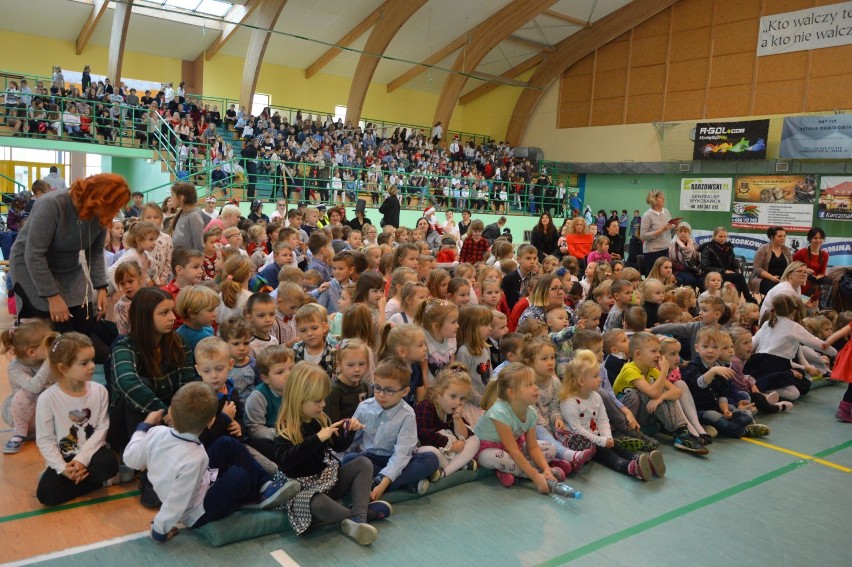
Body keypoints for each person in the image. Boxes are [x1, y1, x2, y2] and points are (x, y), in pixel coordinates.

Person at [123, 382, 299, 543]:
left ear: (170, 411)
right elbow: (177, 500)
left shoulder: (155, 432)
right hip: (197, 512)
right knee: (238, 476)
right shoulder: (196, 457)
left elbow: (131, 459)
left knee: (227, 443)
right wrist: (160, 530)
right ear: (210, 422)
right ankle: (255, 498)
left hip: (199, 484)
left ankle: (265, 485)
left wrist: (144, 427)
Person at [9, 174, 127, 363]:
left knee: (85, 320)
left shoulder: (102, 213)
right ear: (95, 199)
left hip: (68, 266)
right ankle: (60, 370)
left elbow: (95, 253)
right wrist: (53, 297)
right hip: (30, 266)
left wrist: (101, 288)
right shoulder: (52, 204)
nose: (112, 213)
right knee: (59, 325)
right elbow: (34, 255)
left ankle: (87, 363)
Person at [273, 362, 391, 545]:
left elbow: (338, 447)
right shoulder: (284, 428)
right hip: (302, 490)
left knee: (363, 463)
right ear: (299, 398)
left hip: (326, 480)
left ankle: (358, 519)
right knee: (317, 503)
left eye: (323, 399)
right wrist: (317, 438)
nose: (323, 404)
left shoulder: (319, 418)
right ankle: (363, 514)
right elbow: (285, 460)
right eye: (318, 400)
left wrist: (349, 431)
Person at [36, 333, 130, 506]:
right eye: (84, 363)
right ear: (63, 368)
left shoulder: (99, 391)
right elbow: (45, 439)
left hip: (92, 453)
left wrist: (82, 459)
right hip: (65, 457)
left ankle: (93, 478)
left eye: (93, 360)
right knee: (46, 495)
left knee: (109, 464)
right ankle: (102, 482)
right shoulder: (47, 398)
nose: (92, 366)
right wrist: (62, 468)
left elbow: (102, 428)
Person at [344, 357, 440, 498]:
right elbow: (353, 442)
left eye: (389, 390)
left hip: (396, 459)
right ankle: (408, 483)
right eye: (377, 388)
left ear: (405, 391)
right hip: (370, 460)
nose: (381, 395)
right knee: (348, 459)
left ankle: (374, 483)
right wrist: (349, 432)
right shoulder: (364, 408)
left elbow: (401, 454)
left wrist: (382, 485)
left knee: (431, 459)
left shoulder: (407, 414)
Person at [560, 350, 662, 481]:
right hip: (578, 441)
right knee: (605, 453)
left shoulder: (596, 396)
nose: (600, 379)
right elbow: (576, 429)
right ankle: (629, 467)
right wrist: (601, 440)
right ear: (581, 381)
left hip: (596, 436)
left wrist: (607, 437)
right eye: (595, 376)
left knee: (617, 446)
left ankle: (645, 461)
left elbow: (603, 420)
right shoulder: (569, 401)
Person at [473, 363, 563, 490]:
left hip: (513, 447)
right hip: (487, 450)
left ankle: (513, 471)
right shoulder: (499, 412)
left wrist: (546, 468)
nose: (536, 388)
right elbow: (514, 450)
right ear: (512, 393)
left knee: (551, 449)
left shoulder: (531, 412)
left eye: (534, 383)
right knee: (498, 457)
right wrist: (536, 477)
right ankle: (538, 474)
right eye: (529, 385)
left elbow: (533, 447)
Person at [682, 328, 770, 439]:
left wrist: (725, 409)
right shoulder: (694, 366)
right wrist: (713, 371)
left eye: (715, 347)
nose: (710, 351)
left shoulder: (720, 368)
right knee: (713, 415)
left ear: (719, 351)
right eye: (705, 347)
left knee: (746, 414)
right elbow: (700, 383)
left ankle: (722, 424)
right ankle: (744, 431)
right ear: (697, 348)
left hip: (716, 407)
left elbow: (722, 393)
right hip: (699, 410)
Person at [414, 364, 481, 480]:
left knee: (475, 441)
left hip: (447, 455)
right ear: (439, 392)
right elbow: (425, 436)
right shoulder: (426, 406)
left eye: (462, 398)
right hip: (427, 450)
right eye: (453, 396)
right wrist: (451, 446)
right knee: (429, 452)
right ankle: (458, 465)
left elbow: (466, 436)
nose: (458, 402)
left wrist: (457, 419)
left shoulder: (451, 410)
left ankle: (444, 472)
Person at [1, 320, 55, 454]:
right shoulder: (15, 368)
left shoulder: (45, 359)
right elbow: (34, 387)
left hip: (47, 417)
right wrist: (49, 361)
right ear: (32, 352)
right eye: (48, 344)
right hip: (27, 419)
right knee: (24, 393)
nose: (52, 346)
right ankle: (19, 434)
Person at [698, 227, 757, 304]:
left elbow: (733, 263)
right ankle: (749, 299)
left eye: (725, 237)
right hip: (712, 276)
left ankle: (733, 305)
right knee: (739, 277)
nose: (723, 239)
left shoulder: (729, 248)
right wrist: (724, 271)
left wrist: (734, 270)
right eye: (720, 236)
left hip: (726, 275)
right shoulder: (708, 248)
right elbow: (705, 267)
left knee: (737, 284)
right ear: (714, 236)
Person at [639, 190, 677, 274]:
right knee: (655, 278)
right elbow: (643, 236)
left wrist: (676, 227)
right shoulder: (647, 215)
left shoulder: (666, 212)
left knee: (665, 276)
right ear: (654, 200)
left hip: (666, 249)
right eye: (660, 197)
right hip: (653, 252)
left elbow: (671, 233)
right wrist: (662, 230)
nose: (664, 199)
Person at [792, 227, 831, 307]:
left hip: (816, 278)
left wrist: (819, 276)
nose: (818, 241)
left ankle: (822, 306)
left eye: (821, 238)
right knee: (816, 286)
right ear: (810, 239)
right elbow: (791, 267)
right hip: (804, 277)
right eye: (815, 238)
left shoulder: (825, 254)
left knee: (828, 280)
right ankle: (807, 303)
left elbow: (822, 271)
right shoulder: (802, 252)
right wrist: (805, 270)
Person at [750, 226, 792, 297]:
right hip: (764, 279)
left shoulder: (786, 250)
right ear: (772, 237)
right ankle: (765, 307)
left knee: (789, 290)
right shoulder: (763, 248)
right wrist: (771, 277)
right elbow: (757, 268)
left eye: (784, 236)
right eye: (780, 236)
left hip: (782, 280)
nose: (783, 238)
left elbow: (791, 267)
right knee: (775, 291)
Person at [169, 183, 205, 252]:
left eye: (172, 195)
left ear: (181, 198)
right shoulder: (182, 214)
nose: (171, 199)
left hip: (189, 260)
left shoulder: (194, 217)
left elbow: (199, 246)